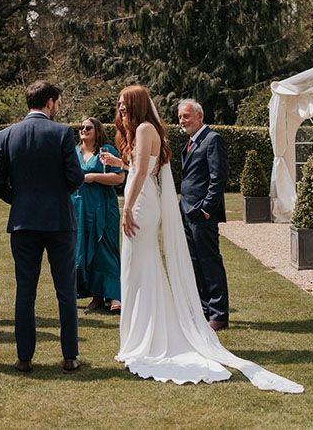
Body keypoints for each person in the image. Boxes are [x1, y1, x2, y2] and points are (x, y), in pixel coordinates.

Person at [101, 85, 302, 393]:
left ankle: (158, 331)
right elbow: (144, 167)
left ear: (138, 103)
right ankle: (147, 330)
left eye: (124, 103)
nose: (120, 108)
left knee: (148, 266)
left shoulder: (146, 130)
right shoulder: (148, 130)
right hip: (149, 201)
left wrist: (126, 206)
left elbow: (144, 171)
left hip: (145, 204)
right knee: (142, 267)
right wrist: (121, 166)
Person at [0, 81, 84, 374]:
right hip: (58, 221)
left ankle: (24, 357)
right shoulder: (62, 133)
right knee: (66, 290)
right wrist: (57, 194)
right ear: (51, 102)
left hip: (23, 221)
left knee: (25, 291)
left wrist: (18, 200)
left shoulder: (5, 135)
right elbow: (75, 177)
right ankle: (70, 356)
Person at [177, 99, 229, 330]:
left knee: (209, 262)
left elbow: (218, 178)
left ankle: (219, 314)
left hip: (202, 214)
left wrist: (207, 208)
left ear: (199, 116)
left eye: (186, 116)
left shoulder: (212, 140)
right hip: (187, 213)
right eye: (180, 117)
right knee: (195, 263)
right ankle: (204, 310)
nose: (182, 120)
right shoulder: (189, 143)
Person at [72, 117, 123, 314]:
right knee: (83, 248)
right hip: (79, 207)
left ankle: (114, 296)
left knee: (105, 248)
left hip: (104, 206)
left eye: (88, 127)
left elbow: (119, 177)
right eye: (81, 127)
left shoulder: (107, 150)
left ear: (97, 130)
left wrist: (94, 177)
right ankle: (95, 296)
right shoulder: (73, 152)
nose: (83, 130)